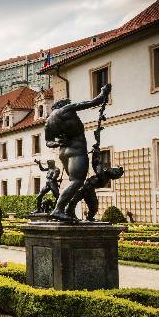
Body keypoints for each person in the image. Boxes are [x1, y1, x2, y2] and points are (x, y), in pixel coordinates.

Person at [44, 83, 111, 222]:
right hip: (76, 149)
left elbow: (48, 142)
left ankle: (68, 210)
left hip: (63, 153)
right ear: (63, 104)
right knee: (77, 181)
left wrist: (58, 142)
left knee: (75, 183)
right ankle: (59, 209)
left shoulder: (48, 121)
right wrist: (104, 92)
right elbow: (94, 102)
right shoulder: (67, 109)